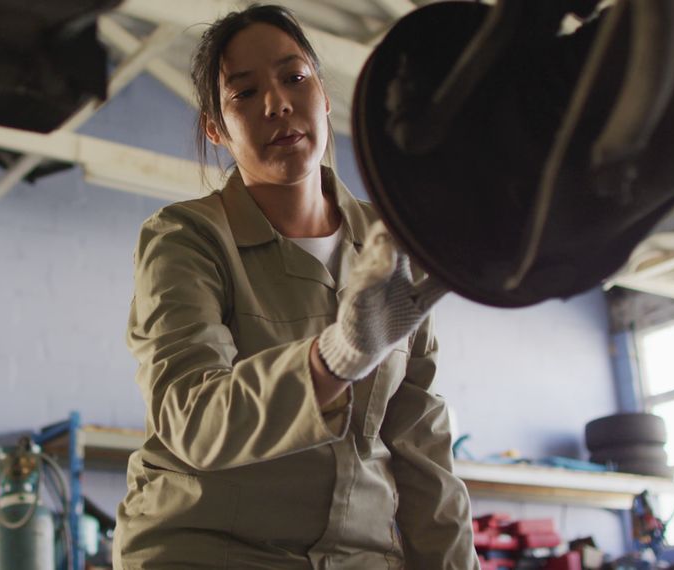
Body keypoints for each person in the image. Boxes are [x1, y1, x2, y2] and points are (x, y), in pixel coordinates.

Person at [114, 5, 476, 569]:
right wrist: (336, 358)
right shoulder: (187, 239)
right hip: (208, 550)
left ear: (323, 95)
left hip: (359, 556)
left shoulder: (391, 246)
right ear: (216, 128)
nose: (277, 102)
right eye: (244, 92)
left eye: (294, 77)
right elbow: (193, 417)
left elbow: (422, 452)